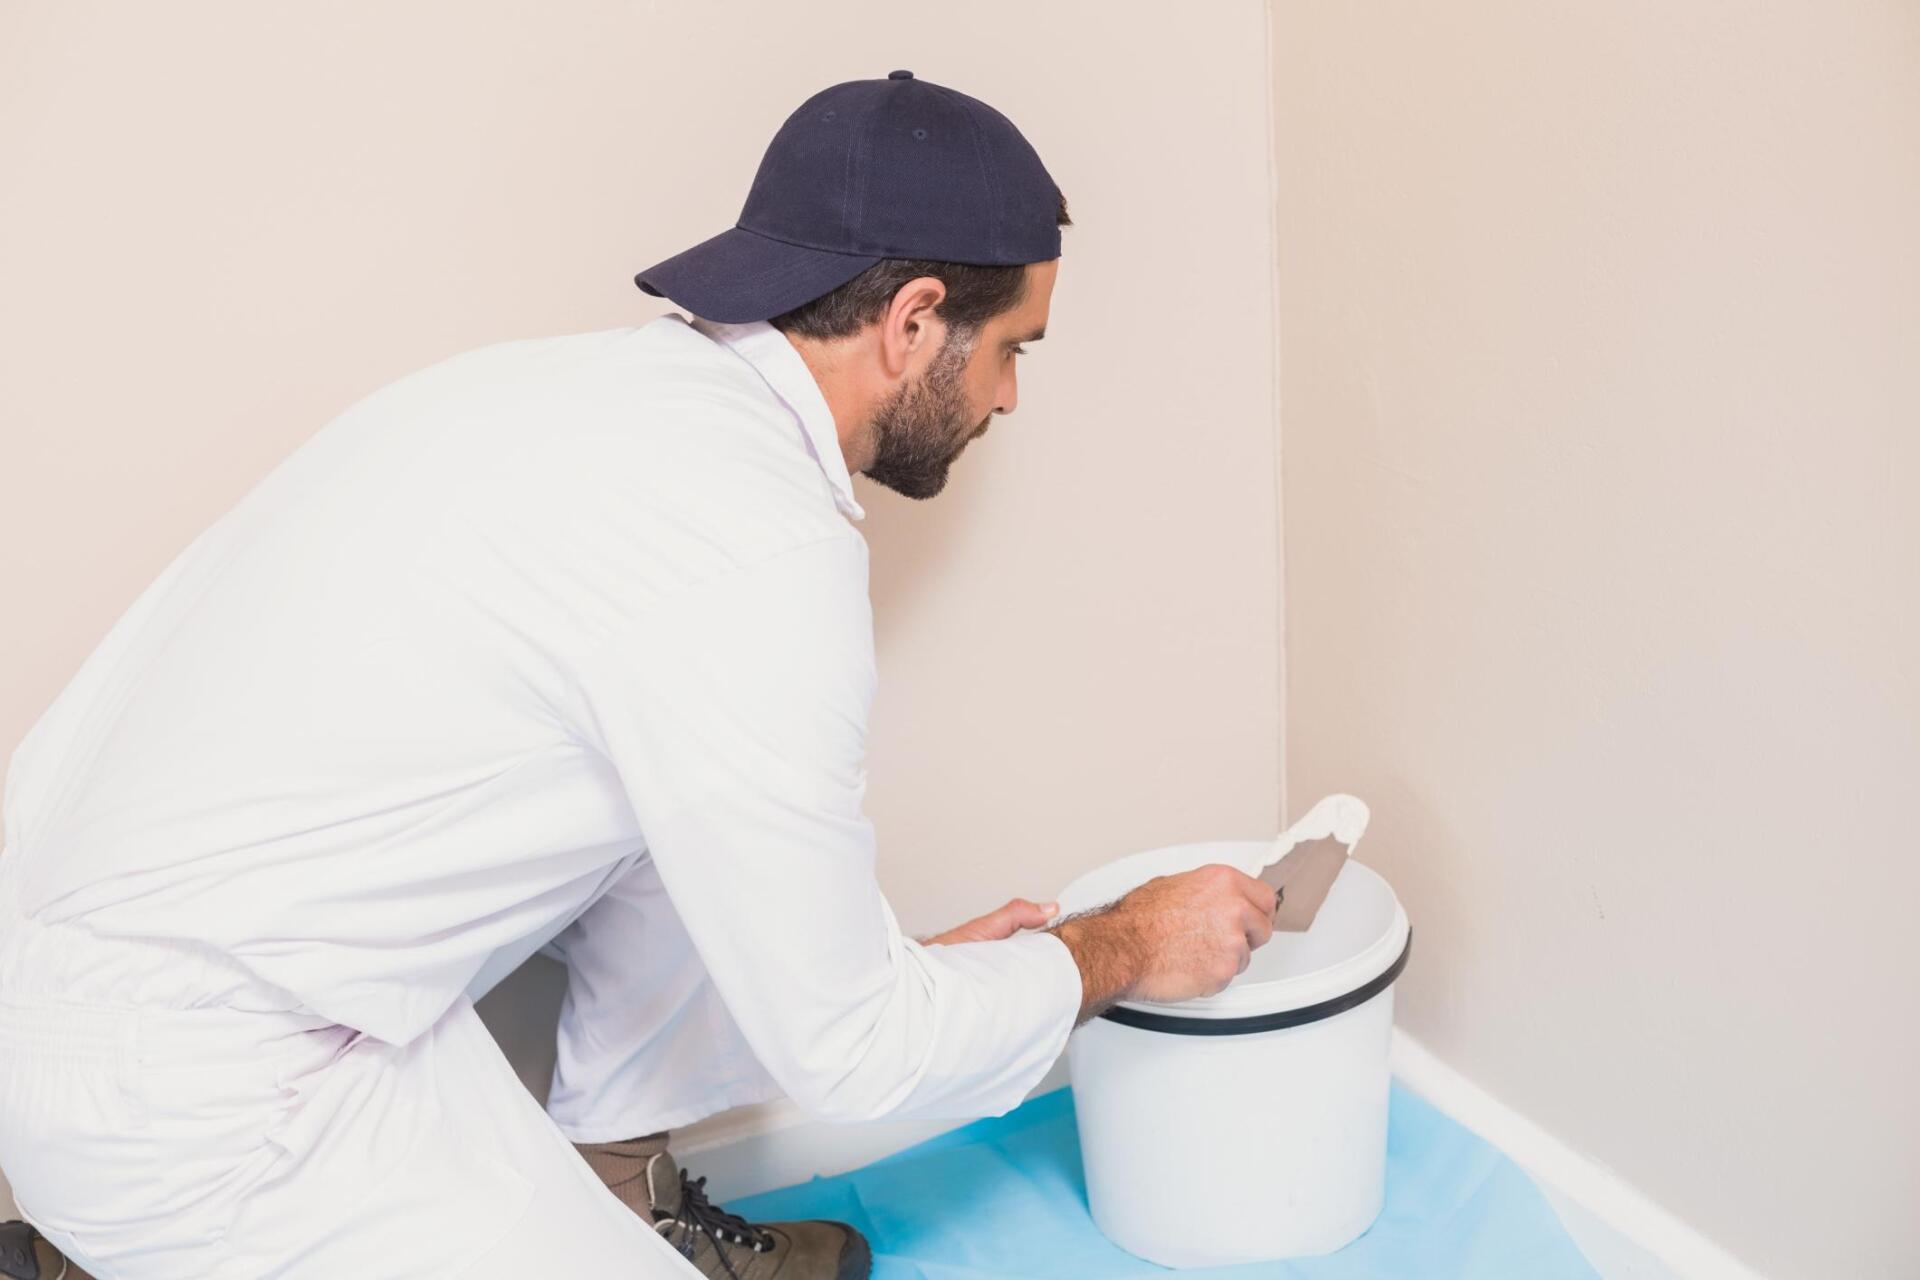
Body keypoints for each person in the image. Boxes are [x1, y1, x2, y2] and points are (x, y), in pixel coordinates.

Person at [0, 70, 1276, 1280]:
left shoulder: (595, 406)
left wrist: (914, 972)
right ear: (912, 321)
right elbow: (856, 1056)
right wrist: (1122, 945)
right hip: (192, 1094)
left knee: (665, 800)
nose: (1009, 397)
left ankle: (621, 1188)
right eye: (1015, 348)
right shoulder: (759, 545)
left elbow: (751, 876)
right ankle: (113, 1253)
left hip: (130, 982)